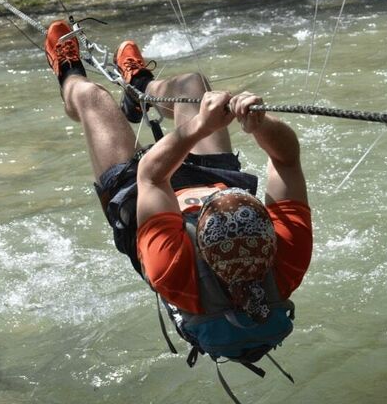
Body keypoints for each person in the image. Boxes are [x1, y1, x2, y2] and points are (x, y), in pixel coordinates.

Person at [44, 19, 312, 326]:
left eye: (206, 207)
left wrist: (201, 127)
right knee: (193, 85)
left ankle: (67, 71)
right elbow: (287, 160)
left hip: (141, 201)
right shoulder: (289, 255)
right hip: (213, 179)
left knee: (92, 97)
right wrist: (262, 125)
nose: (206, 199)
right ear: (270, 234)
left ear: (197, 240)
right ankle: (140, 88)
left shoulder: (172, 267)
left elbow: (151, 176)